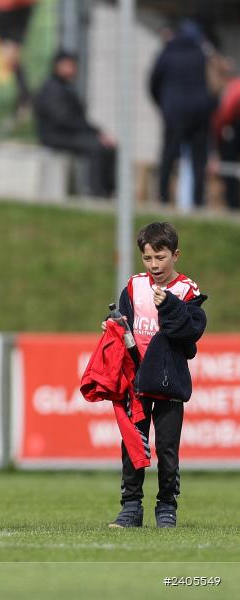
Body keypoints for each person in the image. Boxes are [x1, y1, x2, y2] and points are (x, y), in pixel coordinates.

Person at [107, 222, 207, 529]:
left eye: (160, 257)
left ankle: (166, 508)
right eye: (148, 258)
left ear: (175, 255)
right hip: (136, 380)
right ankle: (131, 507)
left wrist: (171, 305)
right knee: (133, 445)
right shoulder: (134, 286)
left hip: (169, 380)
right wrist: (113, 325)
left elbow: (191, 333)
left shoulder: (188, 290)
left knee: (167, 448)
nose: (154, 265)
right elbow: (124, 320)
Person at [150, 20, 217, 207]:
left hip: (174, 112)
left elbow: (153, 82)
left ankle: (162, 198)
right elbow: (214, 86)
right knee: (198, 160)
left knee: (168, 156)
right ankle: (197, 202)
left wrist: (163, 104)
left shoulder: (167, 52)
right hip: (199, 113)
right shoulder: (202, 53)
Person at [34, 50, 117, 197]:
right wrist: (94, 134)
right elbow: (64, 120)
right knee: (96, 147)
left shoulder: (66, 87)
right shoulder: (52, 88)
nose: (73, 69)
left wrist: (98, 132)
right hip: (55, 136)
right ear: (58, 66)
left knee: (108, 147)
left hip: (67, 133)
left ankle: (108, 190)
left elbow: (78, 119)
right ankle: (96, 192)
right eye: (69, 65)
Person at [212, 76, 240, 211]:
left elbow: (225, 114)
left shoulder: (233, 87)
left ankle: (232, 204)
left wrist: (218, 143)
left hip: (234, 125)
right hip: (234, 124)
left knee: (228, 163)